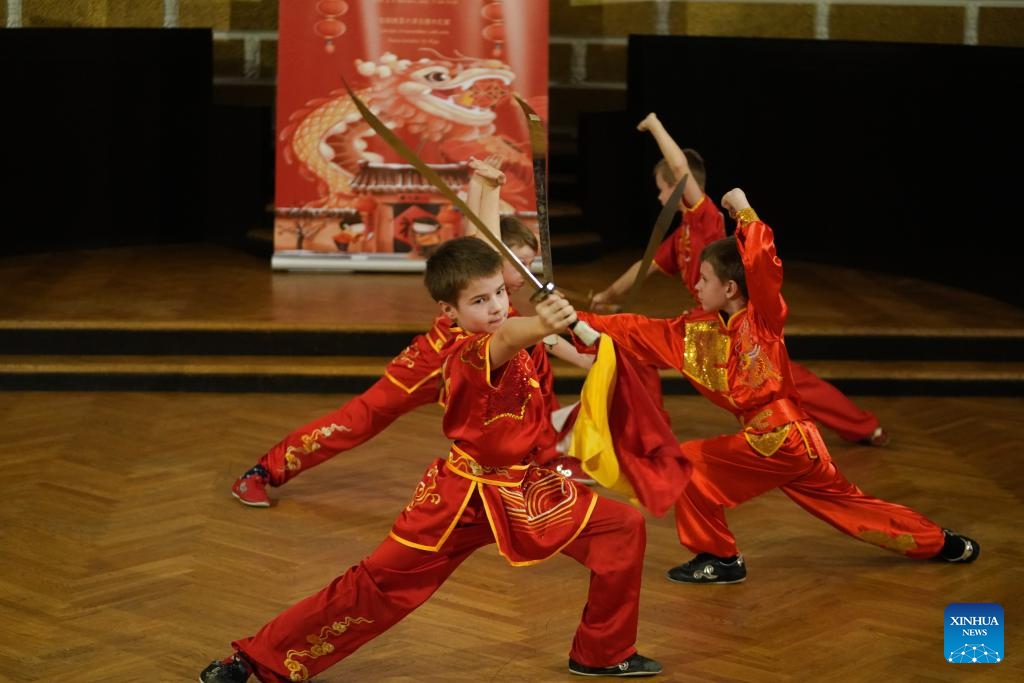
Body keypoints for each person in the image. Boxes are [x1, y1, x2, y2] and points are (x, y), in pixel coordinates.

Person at [199, 237, 663, 682]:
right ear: (450, 312)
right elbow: (509, 338)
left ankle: (602, 653)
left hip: (526, 490)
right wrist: (544, 324)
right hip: (462, 498)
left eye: (500, 292)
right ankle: (256, 659)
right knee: (376, 583)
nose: (497, 306)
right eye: (480, 301)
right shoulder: (472, 350)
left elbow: (508, 311)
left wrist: (489, 190)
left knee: (622, 527)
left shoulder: (500, 322)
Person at [573, 188, 979, 585]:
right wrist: (573, 320)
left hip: (781, 437)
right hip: (789, 441)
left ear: (730, 289)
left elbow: (763, 266)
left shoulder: (761, 320)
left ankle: (720, 557)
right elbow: (635, 331)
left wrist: (744, 212)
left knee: (690, 464)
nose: (695, 285)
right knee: (851, 506)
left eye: (704, 279)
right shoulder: (696, 331)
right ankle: (942, 543)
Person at [230, 159, 593, 508]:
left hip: (480, 364)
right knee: (356, 421)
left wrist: (485, 188)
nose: (525, 271)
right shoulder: (482, 291)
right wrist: (486, 190)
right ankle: (263, 471)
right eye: (519, 263)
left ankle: (551, 459)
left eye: (528, 264)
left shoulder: (498, 302)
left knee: (533, 368)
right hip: (431, 365)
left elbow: (533, 327)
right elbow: (487, 246)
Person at [592, 113, 890, 448]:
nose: (660, 198)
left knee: (791, 381)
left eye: (662, 190)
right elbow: (641, 268)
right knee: (639, 350)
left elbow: (680, 171)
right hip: (704, 323)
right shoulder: (680, 237)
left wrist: (654, 125)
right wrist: (607, 293)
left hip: (735, 320)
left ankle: (863, 426)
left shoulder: (703, 216)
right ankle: (653, 436)